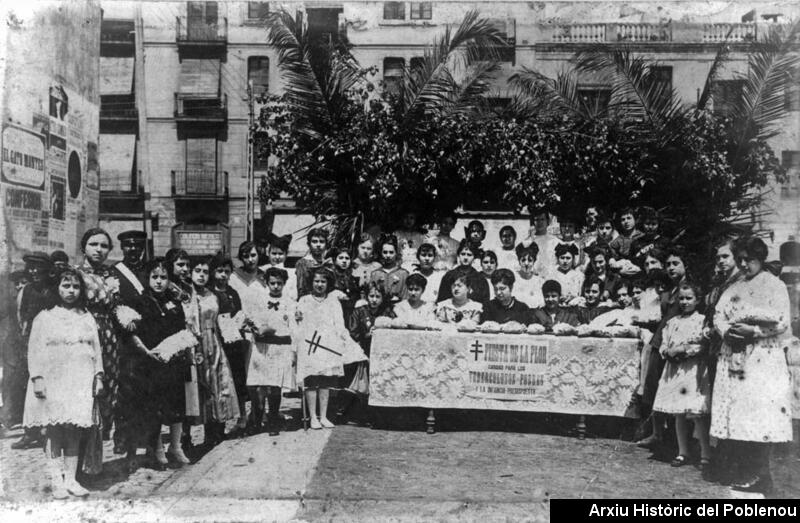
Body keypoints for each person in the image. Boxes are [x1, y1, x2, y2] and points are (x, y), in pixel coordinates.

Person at [710, 237, 792, 493]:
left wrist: (753, 330)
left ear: (761, 258)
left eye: (750, 260)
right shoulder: (735, 287)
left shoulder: (774, 285)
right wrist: (725, 332)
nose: (744, 265)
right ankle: (740, 467)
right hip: (734, 355)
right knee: (737, 413)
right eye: (741, 260)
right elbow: (719, 314)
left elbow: (782, 323)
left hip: (762, 358)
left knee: (758, 413)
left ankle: (760, 473)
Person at [24, 268, 102, 498]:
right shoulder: (46, 316)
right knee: (55, 429)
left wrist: (99, 375)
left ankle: (71, 479)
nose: (71, 291)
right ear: (56, 288)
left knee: (75, 429)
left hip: (80, 378)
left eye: (75, 287)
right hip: (53, 379)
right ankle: (56, 479)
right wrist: (37, 378)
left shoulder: (86, 316)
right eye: (66, 286)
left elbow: (96, 348)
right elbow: (34, 350)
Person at [127, 259, 193, 468]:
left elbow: (181, 330)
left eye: (163, 277)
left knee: (176, 405)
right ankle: (157, 448)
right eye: (154, 277)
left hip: (172, 361)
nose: (159, 282)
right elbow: (132, 333)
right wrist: (146, 352)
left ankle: (176, 446)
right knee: (155, 407)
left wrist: (179, 349)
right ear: (147, 279)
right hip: (150, 362)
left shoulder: (173, 301)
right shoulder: (140, 301)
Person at [296, 267, 367, 430]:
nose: (320, 284)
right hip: (310, 344)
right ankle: (313, 416)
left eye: (323, 281)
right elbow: (299, 323)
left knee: (325, 381)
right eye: (316, 281)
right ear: (311, 282)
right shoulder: (304, 300)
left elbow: (339, 325)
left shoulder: (333, 301)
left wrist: (346, 341)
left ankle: (323, 416)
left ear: (328, 283)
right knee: (312, 380)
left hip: (327, 345)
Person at [652, 282, 711, 473]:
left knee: (696, 413)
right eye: (682, 298)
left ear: (697, 300)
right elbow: (663, 343)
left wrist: (685, 351)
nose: (684, 302)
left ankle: (705, 453)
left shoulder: (701, 321)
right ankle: (683, 451)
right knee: (678, 412)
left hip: (692, 370)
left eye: (689, 298)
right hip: (675, 370)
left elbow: (703, 345)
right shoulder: (673, 322)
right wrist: (668, 352)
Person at [183, 257, 240, 446]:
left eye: (205, 272)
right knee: (194, 387)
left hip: (213, 341)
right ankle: (186, 436)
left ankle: (215, 430)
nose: (201, 275)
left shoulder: (213, 294)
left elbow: (222, 320)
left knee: (217, 382)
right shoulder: (185, 294)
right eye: (197, 271)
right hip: (193, 343)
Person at [637, 246, 689, 450]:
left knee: (672, 389)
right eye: (668, 264)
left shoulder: (687, 289)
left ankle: (674, 439)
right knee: (654, 387)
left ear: (685, 265)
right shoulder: (671, 288)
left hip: (675, 344)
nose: (671, 268)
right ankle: (657, 433)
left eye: (675, 263)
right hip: (660, 340)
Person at [11, 252, 53, 450]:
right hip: (31, 344)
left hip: (52, 345)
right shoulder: (27, 290)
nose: (35, 272)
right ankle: (30, 431)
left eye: (39, 268)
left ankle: (49, 431)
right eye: (31, 268)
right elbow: (22, 317)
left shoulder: (54, 290)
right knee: (28, 387)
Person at [249, 268, 297, 436]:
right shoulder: (260, 300)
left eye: (279, 283)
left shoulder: (290, 302)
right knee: (260, 385)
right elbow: (254, 319)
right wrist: (258, 328)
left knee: (275, 386)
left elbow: (293, 328)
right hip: (262, 347)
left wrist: (293, 351)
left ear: (284, 284)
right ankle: (257, 420)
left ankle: (273, 419)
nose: (276, 286)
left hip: (280, 347)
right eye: (272, 283)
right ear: (267, 283)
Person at [228, 240, 270, 433]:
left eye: (253, 255)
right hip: (242, 331)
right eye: (246, 256)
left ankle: (259, 412)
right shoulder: (234, 277)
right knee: (242, 375)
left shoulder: (264, 276)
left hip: (261, 331)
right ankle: (243, 416)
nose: (250, 259)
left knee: (260, 373)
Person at [344, 281, 395, 423]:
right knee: (362, 385)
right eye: (371, 296)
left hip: (382, 353)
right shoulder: (359, 312)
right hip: (363, 352)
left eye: (378, 296)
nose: (374, 299)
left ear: (383, 298)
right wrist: (367, 334)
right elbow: (353, 333)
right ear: (366, 296)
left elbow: (394, 330)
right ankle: (359, 414)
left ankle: (378, 414)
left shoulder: (387, 313)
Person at [210, 254, 248, 434]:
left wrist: (239, 324)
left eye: (227, 271)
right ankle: (219, 421)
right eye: (219, 271)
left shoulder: (233, 293)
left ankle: (242, 417)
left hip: (233, 343)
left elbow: (239, 314)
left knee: (238, 378)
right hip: (216, 342)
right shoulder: (210, 292)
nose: (223, 275)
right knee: (220, 381)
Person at [437, 240, 490, 305]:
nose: (465, 257)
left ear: (474, 257)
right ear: (458, 255)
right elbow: (441, 301)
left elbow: (485, 304)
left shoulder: (480, 279)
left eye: (469, 255)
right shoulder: (449, 276)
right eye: (463, 254)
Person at [109, 231, 147, 304]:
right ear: (121, 247)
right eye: (128, 245)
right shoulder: (114, 270)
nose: (133, 248)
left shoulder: (149, 269)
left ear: (143, 248)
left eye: (137, 245)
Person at [370, 234, 410, 303]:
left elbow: (405, 298)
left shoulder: (404, 274)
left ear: (396, 253)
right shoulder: (375, 274)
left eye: (391, 252)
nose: (388, 255)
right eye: (385, 252)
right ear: (381, 253)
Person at [259, 233, 297, 301]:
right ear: (268, 253)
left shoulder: (292, 273)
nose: (277, 257)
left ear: (286, 254)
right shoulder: (261, 271)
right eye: (274, 253)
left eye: (280, 254)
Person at [295, 228, 329, 298]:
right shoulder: (302, 263)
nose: (318, 245)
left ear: (326, 244)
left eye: (321, 242)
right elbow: (301, 288)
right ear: (309, 244)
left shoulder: (328, 263)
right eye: (314, 242)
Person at [329, 246, 360, 321]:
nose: (344, 261)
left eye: (347, 258)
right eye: (341, 258)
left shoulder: (352, 277)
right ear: (335, 260)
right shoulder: (330, 276)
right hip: (334, 311)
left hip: (350, 312)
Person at [512, 243, 544, 309]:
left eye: (530, 260)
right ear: (519, 261)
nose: (526, 263)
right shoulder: (513, 279)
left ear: (534, 262)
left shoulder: (540, 281)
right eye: (523, 260)